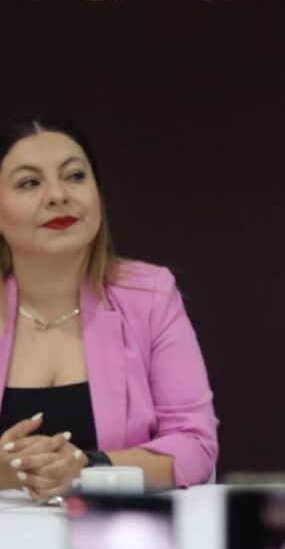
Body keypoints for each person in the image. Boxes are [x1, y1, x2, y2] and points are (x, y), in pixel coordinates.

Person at [0, 116, 218, 499]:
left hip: (113, 530)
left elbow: (195, 443)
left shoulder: (149, 295)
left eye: (74, 176)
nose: (58, 195)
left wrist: (89, 467)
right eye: (29, 183)